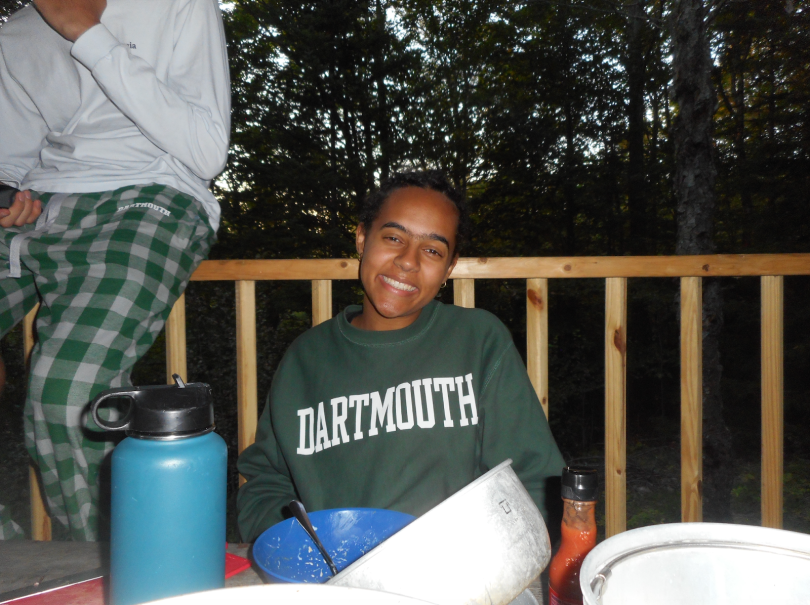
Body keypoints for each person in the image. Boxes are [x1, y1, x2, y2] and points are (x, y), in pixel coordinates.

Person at [0, 0, 230, 540]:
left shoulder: (179, 5)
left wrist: (86, 31)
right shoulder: (18, 29)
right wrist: (8, 192)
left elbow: (206, 149)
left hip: (153, 192)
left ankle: (103, 569)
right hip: (43, 204)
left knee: (68, 390)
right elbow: (12, 158)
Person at [237, 170, 565, 542]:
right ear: (362, 238)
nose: (408, 261)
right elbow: (264, 486)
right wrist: (307, 552)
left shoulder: (477, 342)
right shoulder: (304, 360)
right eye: (394, 237)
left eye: (432, 250)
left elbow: (537, 483)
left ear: (449, 268)